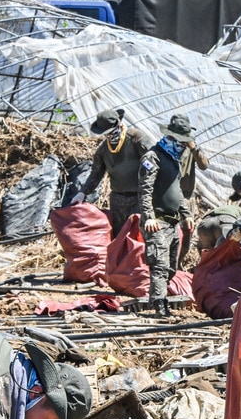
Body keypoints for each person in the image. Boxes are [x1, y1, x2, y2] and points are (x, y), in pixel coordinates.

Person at [139, 115, 210, 317]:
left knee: (170, 266)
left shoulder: (174, 159)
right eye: (180, 142)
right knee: (160, 265)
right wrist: (149, 216)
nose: (182, 146)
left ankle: (161, 299)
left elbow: (177, 190)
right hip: (157, 220)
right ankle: (159, 305)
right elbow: (145, 189)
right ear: (170, 138)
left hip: (172, 220)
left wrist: (185, 213)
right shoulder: (153, 158)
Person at [72, 108, 151, 236]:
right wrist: (82, 192)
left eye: (112, 132)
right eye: (106, 134)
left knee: (138, 235)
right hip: (118, 199)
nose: (110, 136)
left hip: (140, 197)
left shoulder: (136, 138)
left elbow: (152, 163)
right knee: (118, 236)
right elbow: (96, 174)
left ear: (119, 125)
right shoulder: (103, 150)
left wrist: (150, 191)